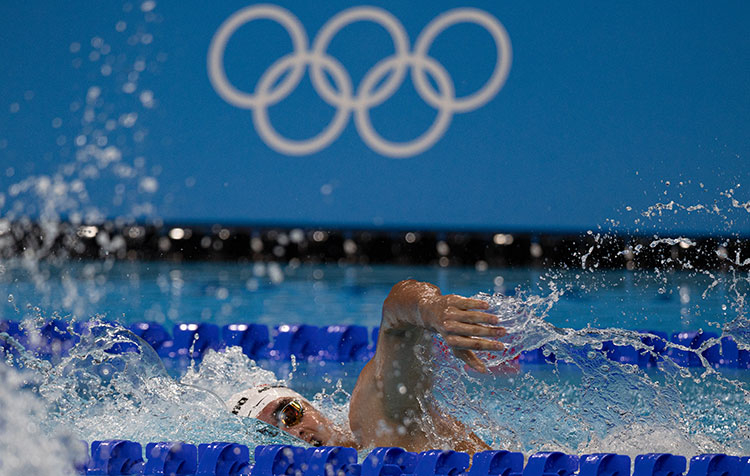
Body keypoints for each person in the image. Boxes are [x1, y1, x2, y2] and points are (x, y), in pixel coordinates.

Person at [226, 279, 506, 453]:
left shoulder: (374, 420)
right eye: (272, 434)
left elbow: (396, 319)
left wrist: (431, 309)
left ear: (310, 406)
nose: (293, 433)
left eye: (289, 414)